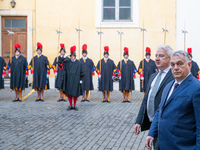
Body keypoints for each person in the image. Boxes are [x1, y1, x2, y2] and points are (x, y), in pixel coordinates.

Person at [146, 50, 200, 150]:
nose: (175, 68)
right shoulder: (168, 86)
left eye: (180, 64)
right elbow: (159, 111)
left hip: (182, 146)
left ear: (189, 65)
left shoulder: (197, 88)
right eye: (172, 64)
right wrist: (152, 133)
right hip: (162, 145)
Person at [134, 45, 174, 150]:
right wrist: (139, 121)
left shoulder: (174, 76)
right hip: (153, 123)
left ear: (169, 59)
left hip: (166, 124)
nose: (156, 58)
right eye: (156, 55)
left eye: (161, 56)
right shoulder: (153, 76)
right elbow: (145, 100)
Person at [61, 45, 84, 110]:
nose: (72, 57)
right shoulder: (67, 62)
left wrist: (81, 80)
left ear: (75, 56)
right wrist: (65, 56)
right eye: (71, 56)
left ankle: (75, 105)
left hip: (76, 80)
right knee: (70, 94)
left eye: (73, 56)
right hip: (69, 80)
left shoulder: (79, 63)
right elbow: (60, 62)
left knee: (75, 94)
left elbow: (82, 72)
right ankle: (71, 105)